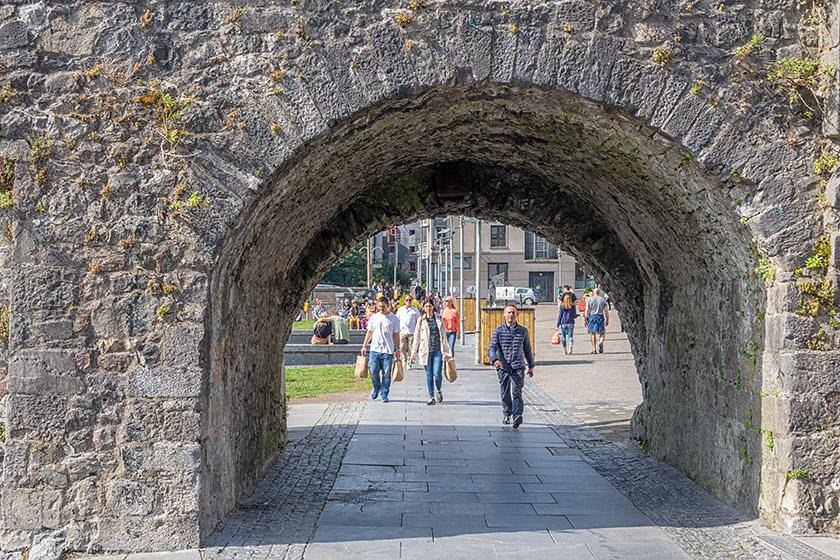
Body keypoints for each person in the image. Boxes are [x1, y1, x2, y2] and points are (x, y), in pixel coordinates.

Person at [488, 305, 535, 428]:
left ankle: (517, 416)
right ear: (504, 314)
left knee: (517, 391)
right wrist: (495, 359)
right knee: (505, 392)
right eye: (508, 312)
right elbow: (491, 347)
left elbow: (527, 349)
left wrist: (531, 366)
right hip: (503, 367)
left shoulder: (523, 331)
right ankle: (507, 413)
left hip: (518, 366)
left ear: (517, 315)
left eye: (513, 312)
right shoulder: (498, 331)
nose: (511, 315)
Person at [411, 300, 452, 405]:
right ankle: (431, 397)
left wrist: (448, 350)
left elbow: (443, 334)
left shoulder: (438, 319)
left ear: (433, 307)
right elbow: (416, 336)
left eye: (430, 306)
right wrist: (413, 352)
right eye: (426, 306)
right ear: (423, 308)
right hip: (426, 351)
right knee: (429, 374)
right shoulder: (421, 320)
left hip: (438, 350)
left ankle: (438, 390)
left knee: (437, 374)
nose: (428, 308)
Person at [361, 297, 401, 403]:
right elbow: (369, 332)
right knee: (373, 370)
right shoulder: (374, 318)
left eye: (383, 306)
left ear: (388, 306)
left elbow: (396, 334)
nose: (381, 308)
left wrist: (398, 349)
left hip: (388, 350)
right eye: (379, 306)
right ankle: (376, 387)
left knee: (386, 373)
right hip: (375, 349)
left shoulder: (394, 319)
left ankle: (384, 393)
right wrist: (364, 345)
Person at [396, 294, 421, 370]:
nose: (408, 302)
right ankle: (405, 359)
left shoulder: (415, 310)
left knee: (411, 349)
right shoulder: (400, 309)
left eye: (410, 300)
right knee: (402, 347)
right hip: (402, 331)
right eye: (407, 300)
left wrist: (419, 331)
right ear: (404, 301)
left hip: (412, 332)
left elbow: (418, 320)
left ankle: (409, 363)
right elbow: (397, 320)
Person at [585, 287, 610, 354]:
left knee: (593, 334)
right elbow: (606, 311)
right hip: (600, 316)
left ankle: (594, 349)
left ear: (593, 293)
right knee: (602, 332)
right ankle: (601, 342)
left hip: (592, 317)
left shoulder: (590, 300)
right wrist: (607, 319)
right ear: (599, 293)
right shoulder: (603, 300)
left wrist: (585, 320)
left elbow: (587, 310)